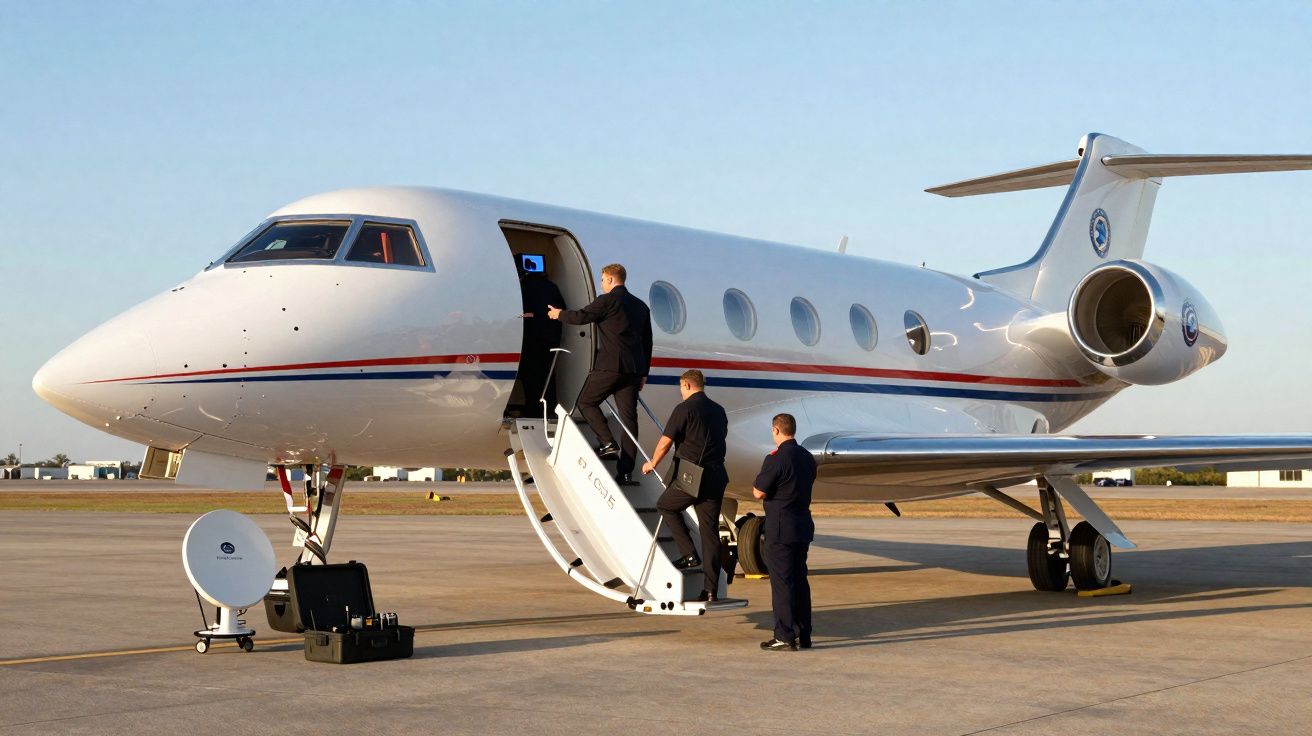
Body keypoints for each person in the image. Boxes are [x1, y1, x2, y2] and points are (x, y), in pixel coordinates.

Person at [547, 263, 652, 485]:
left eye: (603, 279)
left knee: (586, 402)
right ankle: (625, 473)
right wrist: (644, 373)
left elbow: (581, 316)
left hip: (609, 367)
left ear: (611, 279)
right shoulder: (641, 306)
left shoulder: (607, 301)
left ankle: (607, 442)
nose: (602, 283)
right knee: (629, 420)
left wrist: (558, 314)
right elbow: (647, 342)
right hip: (633, 371)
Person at [641, 369, 729, 601]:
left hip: (692, 475)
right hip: (717, 475)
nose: (680, 392)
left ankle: (689, 554)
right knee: (709, 532)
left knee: (666, 506)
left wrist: (652, 463)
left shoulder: (685, 409)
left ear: (687, 385)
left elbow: (666, 441)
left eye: (681, 387)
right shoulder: (719, 410)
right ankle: (710, 590)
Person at [752, 413, 816, 651]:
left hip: (780, 529)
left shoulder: (775, 458)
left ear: (776, 430)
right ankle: (804, 635)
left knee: (782, 583)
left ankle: (784, 635)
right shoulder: (807, 457)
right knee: (800, 581)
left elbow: (758, 492)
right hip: (802, 526)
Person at [517, 264, 565, 416]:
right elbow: (562, 309)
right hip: (551, 339)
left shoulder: (524, 287)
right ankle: (549, 409)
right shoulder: (551, 286)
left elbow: (521, 311)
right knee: (548, 376)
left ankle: (533, 410)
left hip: (531, 339)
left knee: (531, 376)